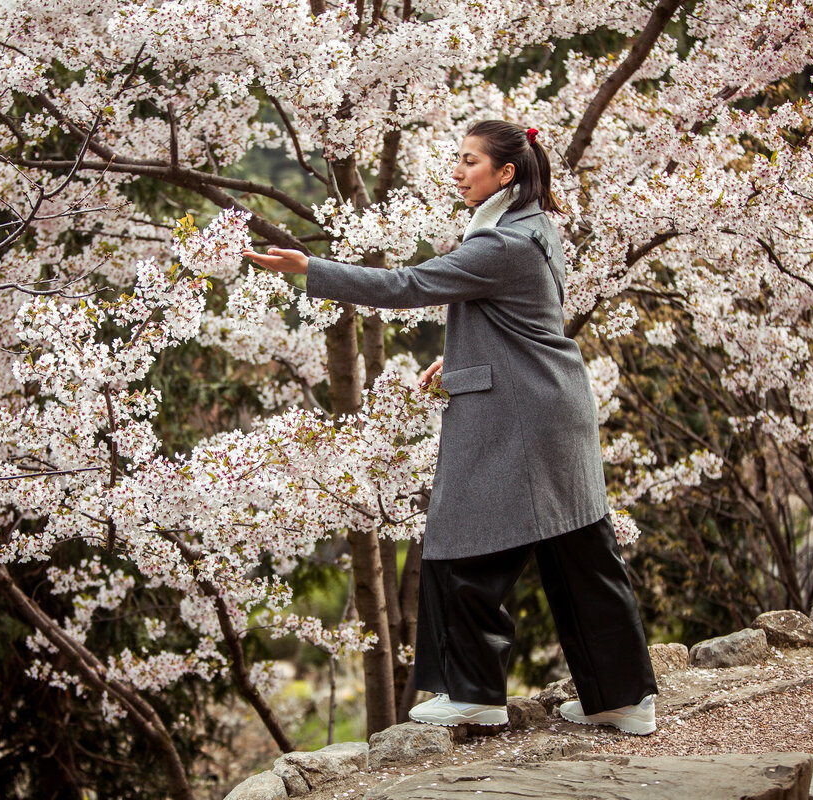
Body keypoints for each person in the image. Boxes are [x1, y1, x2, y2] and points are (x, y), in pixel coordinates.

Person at [243, 120, 658, 735]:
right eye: (456, 159)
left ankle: (475, 694)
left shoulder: (501, 244)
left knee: (468, 544)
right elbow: (522, 315)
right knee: (581, 555)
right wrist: (463, 357)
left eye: (469, 161)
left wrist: (312, 269)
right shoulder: (533, 224)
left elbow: (407, 284)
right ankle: (623, 699)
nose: (457, 171)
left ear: (505, 173)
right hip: (546, 405)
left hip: (521, 417)